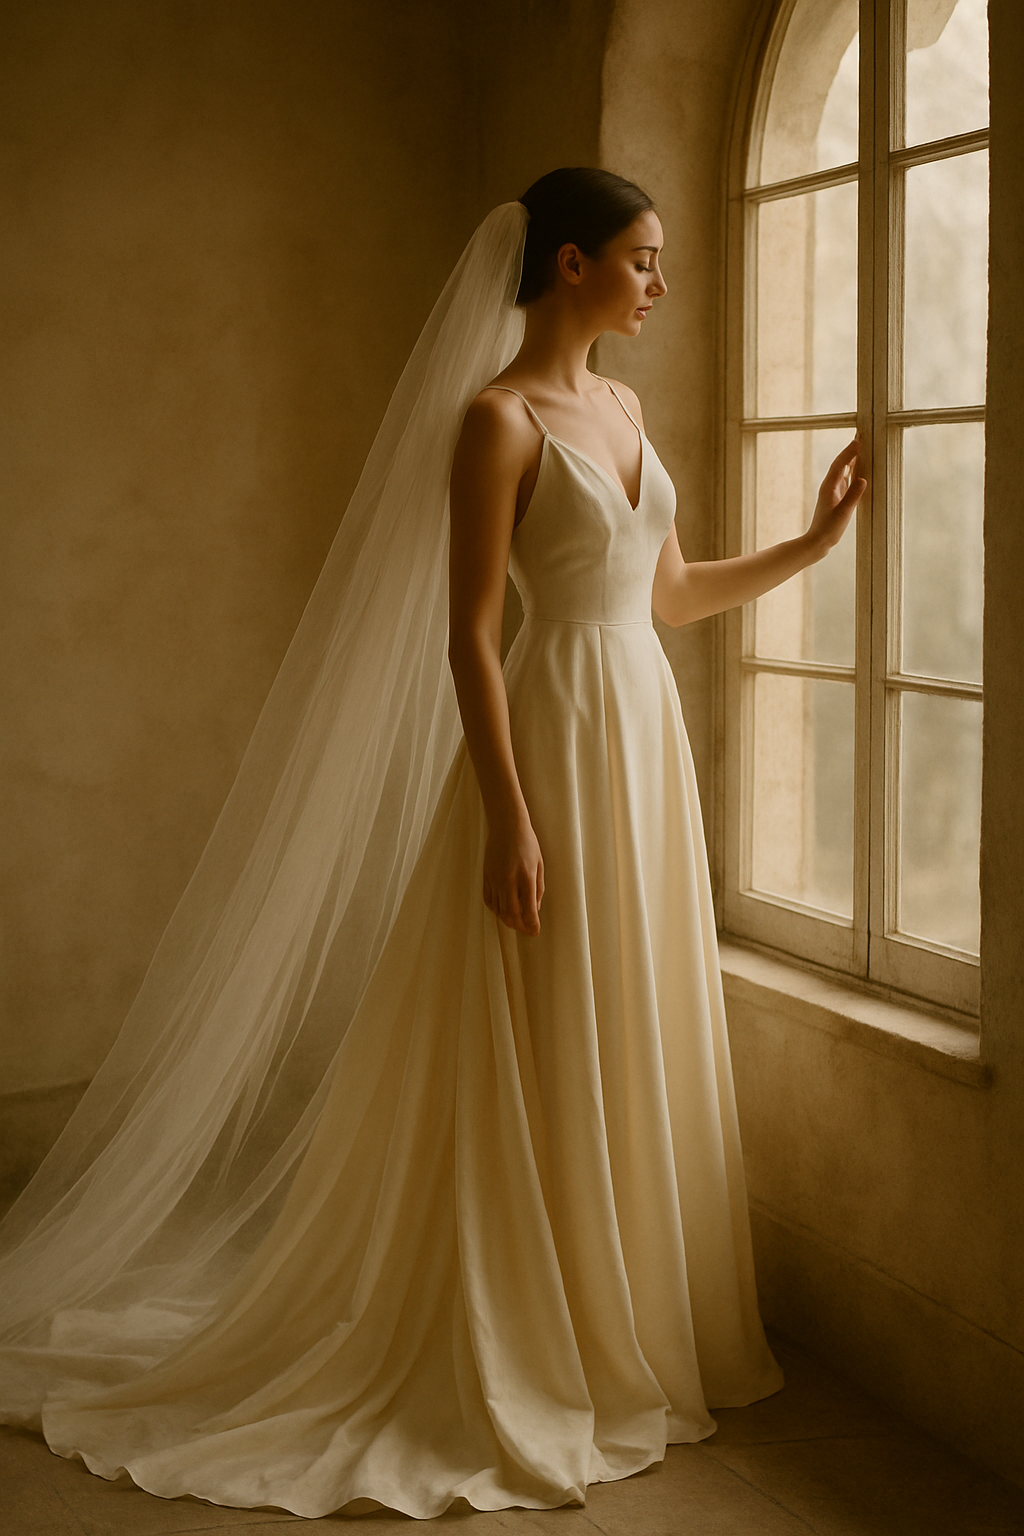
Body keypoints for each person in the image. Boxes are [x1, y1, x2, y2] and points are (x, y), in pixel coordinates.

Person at [0, 168, 865, 1520]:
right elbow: (468, 634)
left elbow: (673, 595)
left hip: (641, 740)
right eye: (642, 257)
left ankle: (624, 1317)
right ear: (569, 263)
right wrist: (508, 815)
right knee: (543, 1016)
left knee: (623, 1010)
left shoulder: (626, 409)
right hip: (553, 739)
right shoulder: (496, 421)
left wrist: (812, 543)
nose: (659, 280)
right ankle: (530, 1324)